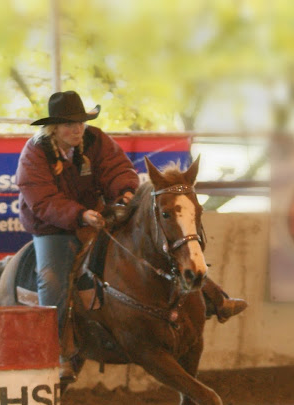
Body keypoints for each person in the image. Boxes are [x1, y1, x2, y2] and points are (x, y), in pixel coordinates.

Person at [16, 90, 246, 383]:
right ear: (53, 129)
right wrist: (79, 215)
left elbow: (118, 169)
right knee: (52, 280)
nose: (76, 129)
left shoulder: (96, 140)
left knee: (150, 249)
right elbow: (42, 201)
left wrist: (125, 192)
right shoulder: (35, 154)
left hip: (95, 213)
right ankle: (61, 353)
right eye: (68, 125)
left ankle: (215, 296)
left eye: (79, 123)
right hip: (53, 227)